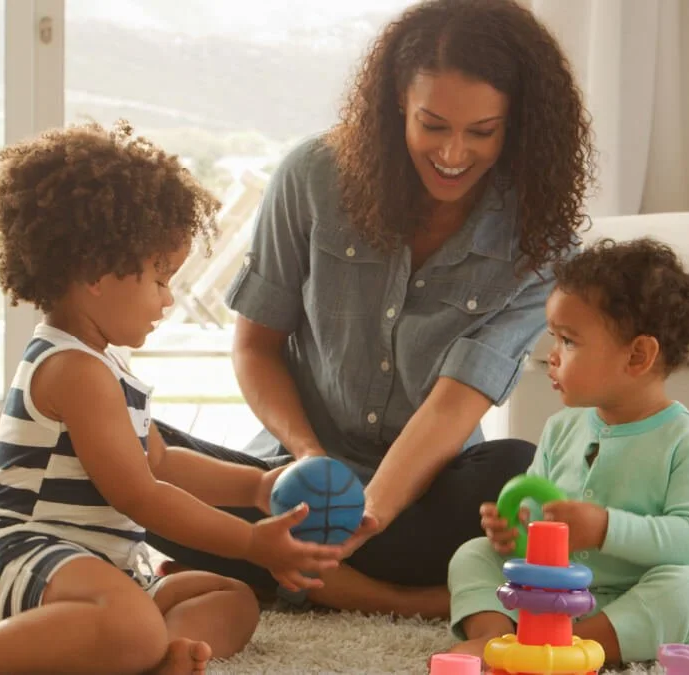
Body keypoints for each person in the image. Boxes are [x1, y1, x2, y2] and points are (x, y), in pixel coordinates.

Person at [146, 0, 595, 619]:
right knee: (119, 447)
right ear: (395, 109)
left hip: (422, 496)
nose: (454, 152)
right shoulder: (312, 177)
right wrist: (307, 456)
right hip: (291, 487)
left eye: (481, 131)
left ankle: (281, 573)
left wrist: (370, 513)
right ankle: (382, 590)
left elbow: (450, 408)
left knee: (515, 471)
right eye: (432, 125)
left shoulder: (541, 242)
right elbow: (255, 347)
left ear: (517, 126)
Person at [0, 121, 345, 675]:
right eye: (159, 278)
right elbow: (142, 495)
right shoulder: (72, 369)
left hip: (105, 574)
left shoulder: (104, 365)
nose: (168, 298)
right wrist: (251, 542)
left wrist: (255, 485)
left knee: (230, 600)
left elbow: (161, 460)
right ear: (95, 274)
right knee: (134, 622)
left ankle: (148, 656)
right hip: (26, 565)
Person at [445, 237, 689, 668]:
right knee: (473, 555)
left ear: (638, 356)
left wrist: (605, 529)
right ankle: (495, 636)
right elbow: (540, 517)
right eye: (553, 338)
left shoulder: (688, 443)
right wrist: (514, 532)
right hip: (549, 592)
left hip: (629, 599)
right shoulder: (562, 429)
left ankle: (576, 646)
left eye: (568, 342)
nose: (551, 357)